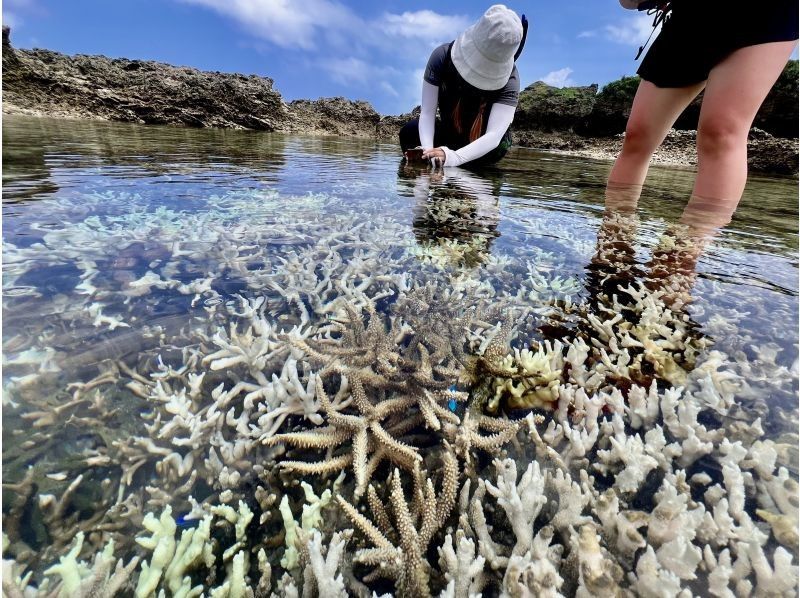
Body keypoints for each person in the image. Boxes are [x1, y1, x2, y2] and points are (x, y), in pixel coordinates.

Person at [608, 0, 798, 220]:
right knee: (637, 135)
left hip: (767, 10)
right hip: (690, 16)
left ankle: (688, 241)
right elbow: (628, 2)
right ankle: (614, 234)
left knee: (721, 132)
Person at [399, 5, 526, 169]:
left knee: (493, 150)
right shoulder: (442, 57)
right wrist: (427, 152)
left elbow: (494, 136)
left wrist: (454, 158)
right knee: (409, 132)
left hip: (485, 147)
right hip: (452, 133)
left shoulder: (511, 80)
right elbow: (428, 113)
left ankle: (463, 164)